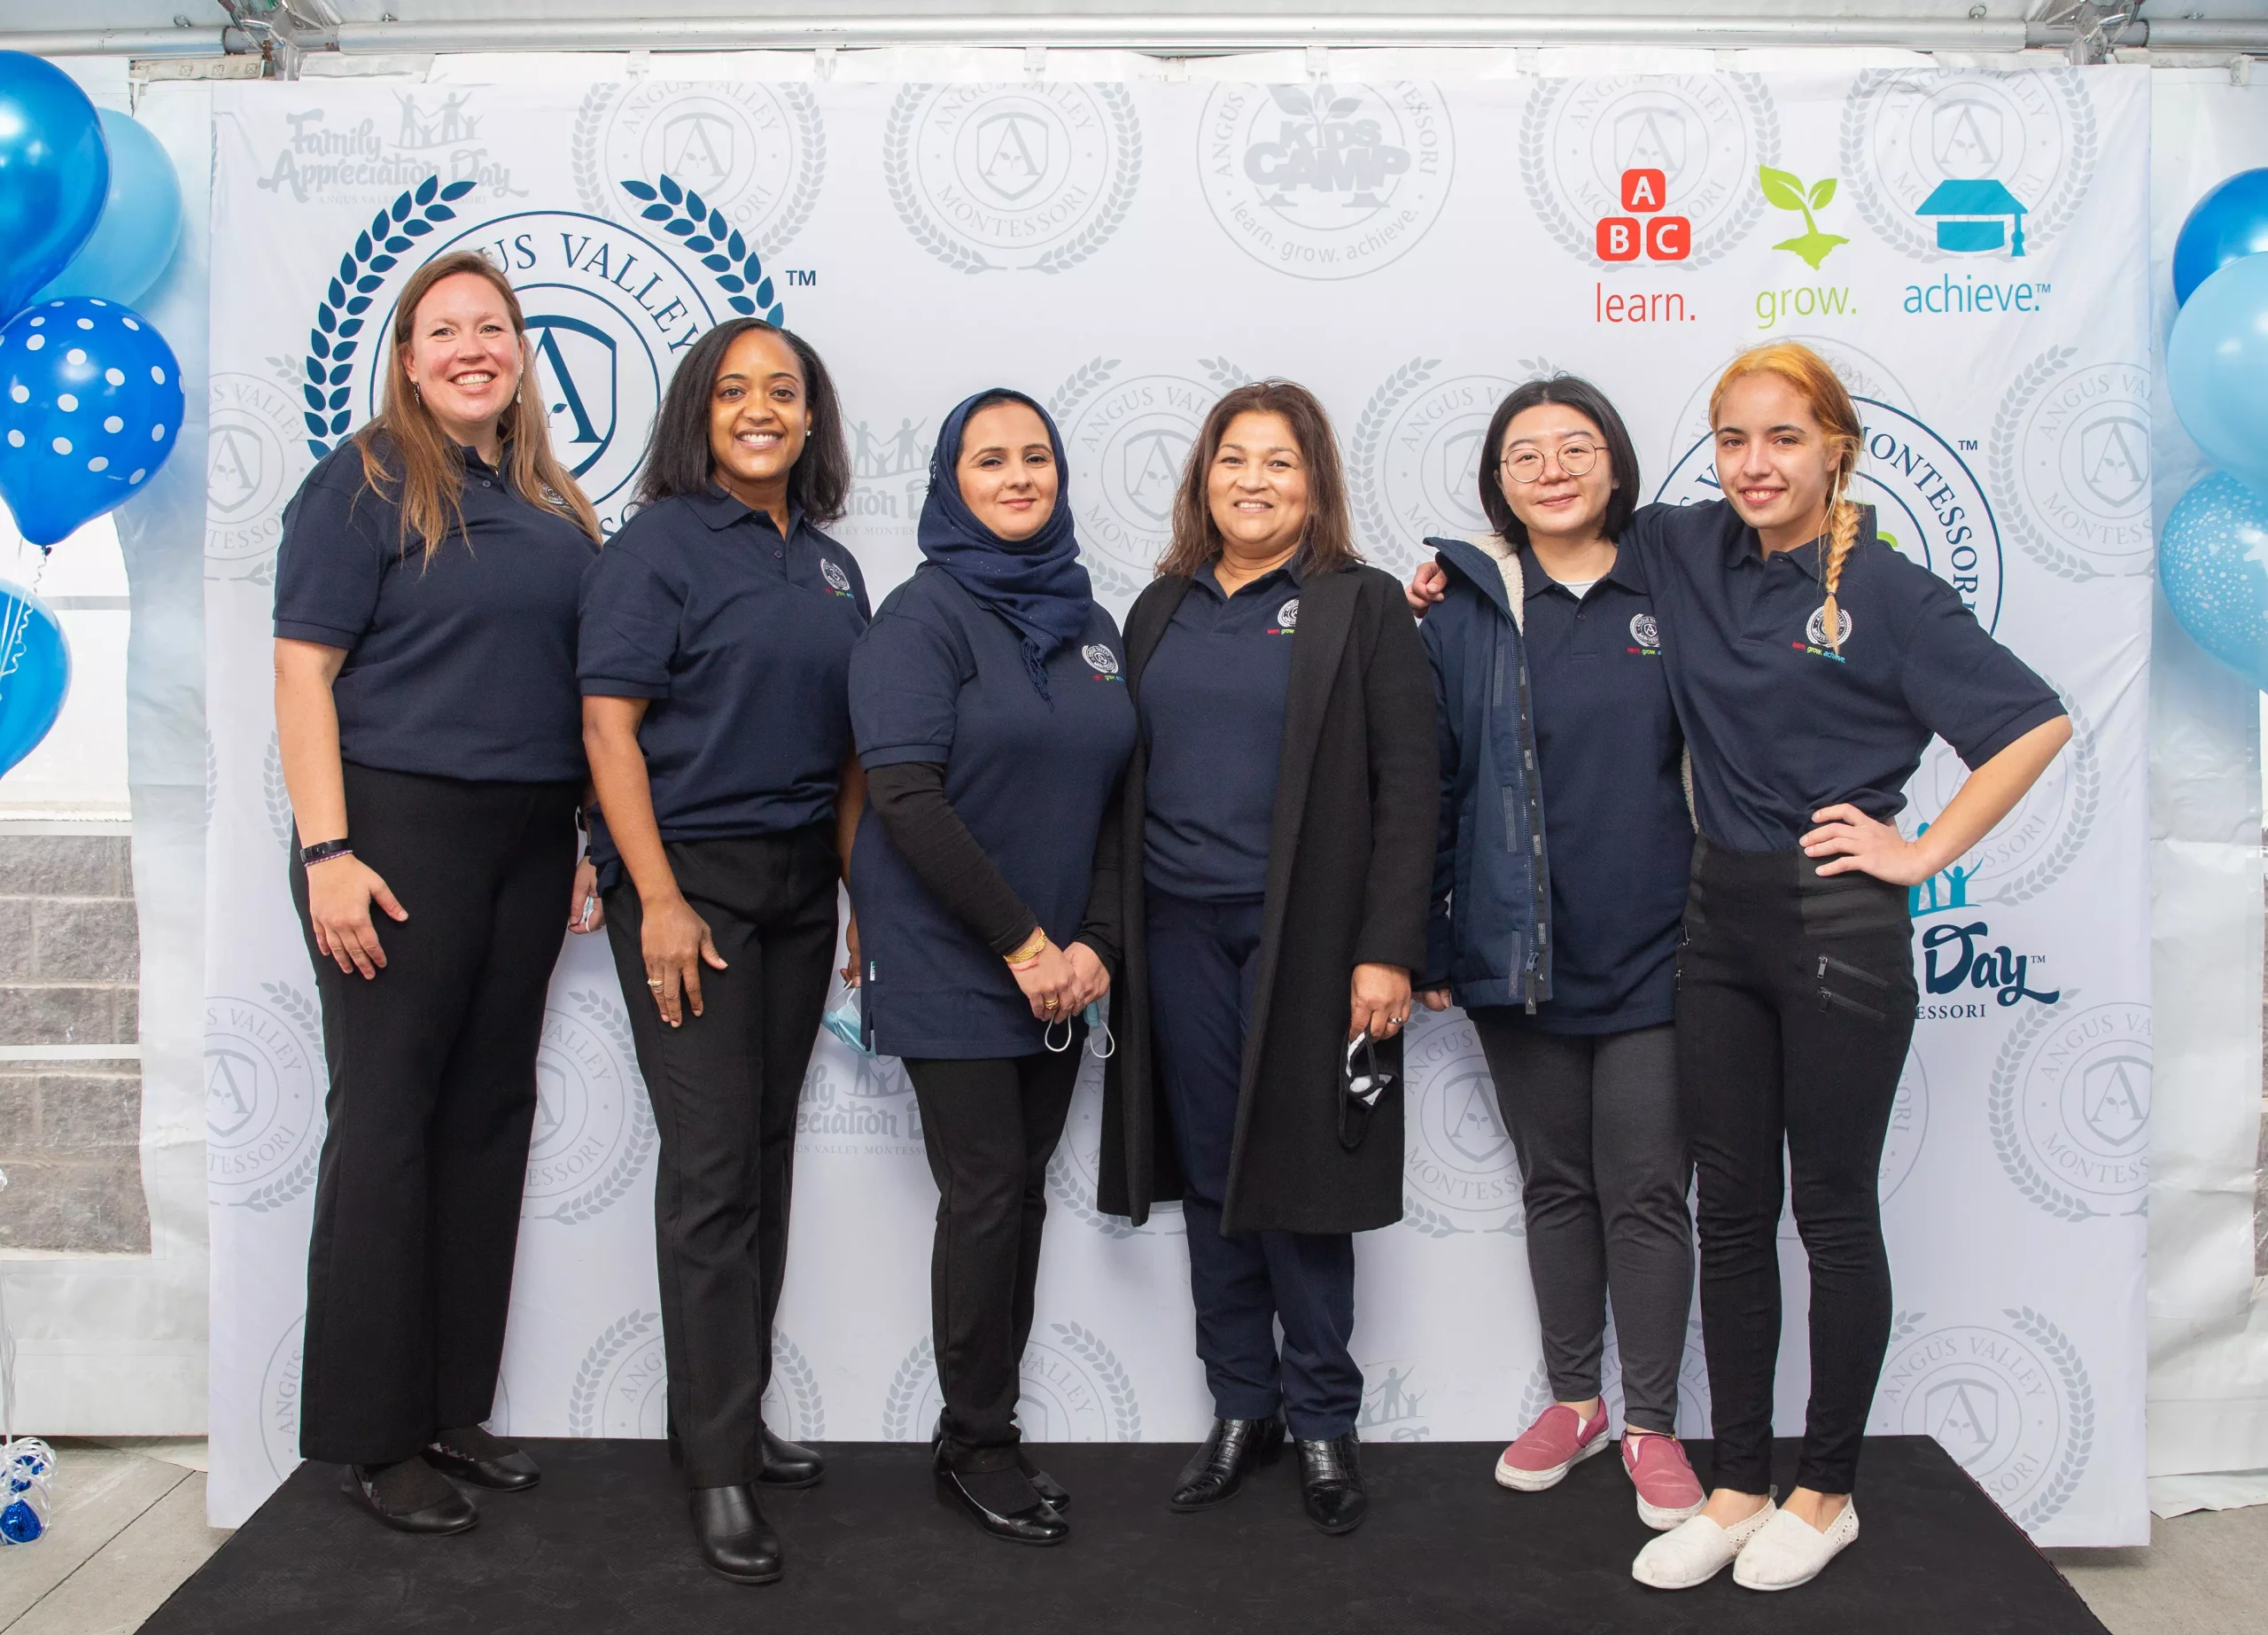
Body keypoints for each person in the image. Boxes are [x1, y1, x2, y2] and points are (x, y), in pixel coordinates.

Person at [1410, 343, 2070, 1590]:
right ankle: (1741, 1481)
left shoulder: (1890, 589)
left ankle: (1826, 1493)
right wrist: (1441, 591)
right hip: (1716, 925)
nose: (1755, 464)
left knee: (1829, 1214)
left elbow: (2033, 720)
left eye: (1782, 437)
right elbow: (1550, 541)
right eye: (1732, 439)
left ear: (1837, 446)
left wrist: (1922, 848)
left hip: (1836, 929)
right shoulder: (1686, 549)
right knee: (1730, 1216)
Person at [273, 251, 604, 1535]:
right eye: (444, 330)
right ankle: (370, 1436)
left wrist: (581, 831)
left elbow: (570, 690)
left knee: (485, 1121)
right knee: (389, 1125)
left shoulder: (551, 504)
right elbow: (305, 675)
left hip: (529, 837)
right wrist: (325, 853)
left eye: (494, 327)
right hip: (397, 833)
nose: (473, 346)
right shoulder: (360, 482)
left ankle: (450, 1408)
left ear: (521, 350)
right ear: (407, 359)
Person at [1089, 381, 1438, 1536]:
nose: (1254, 481)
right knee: (1213, 1182)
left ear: (1315, 484)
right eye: (1233, 460)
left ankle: (1324, 1420)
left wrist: (1388, 950)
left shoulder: (1360, 605)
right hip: (1175, 933)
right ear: (1203, 480)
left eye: (1280, 463)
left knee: (1303, 1185)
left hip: (1314, 945)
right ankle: (1243, 1406)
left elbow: (1411, 792)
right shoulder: (1157, 610)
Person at [579, 318, 865, 1585]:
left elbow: (852, 755)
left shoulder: (836, 569)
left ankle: (732, 1413)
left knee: (764, 1152)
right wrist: (656, 896)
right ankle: (716, 1470)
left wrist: (861, 902)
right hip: (693, 886)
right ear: (700, 412)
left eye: (783, 391)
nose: (760, 408)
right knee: (709, 1173)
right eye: (736, 391)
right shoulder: (657, 548)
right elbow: (607, 728)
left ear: (813, 418)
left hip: (804, 888)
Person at [1411, 378, 1705, 1532]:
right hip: (1515, 946)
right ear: (1497, 485)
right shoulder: (1463, 611)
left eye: (1575, 446)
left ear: (1617, 467)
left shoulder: (1677, 586)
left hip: (1663, 950)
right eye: (1523, 453)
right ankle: (1576, 1400)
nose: (1551, 467)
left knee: (1645, 1189)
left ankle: (1653, 1425)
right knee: (1557, 1185)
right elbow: (1432, 783)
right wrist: (1430, 935)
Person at [847, 390, 1135, 1547]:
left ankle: (985, 1424)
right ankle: (976, 1441)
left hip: (1066, 969)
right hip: (954, 958)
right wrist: (1021, 944)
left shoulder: (1091, 622)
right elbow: (904, 796)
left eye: (1035, 458)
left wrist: (1094, 947)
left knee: (1018, 1193)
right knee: (984, 1197)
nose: (1018, 477)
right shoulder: (920, 620)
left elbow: (1121, 798)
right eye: (989, 459)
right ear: (949, 481)